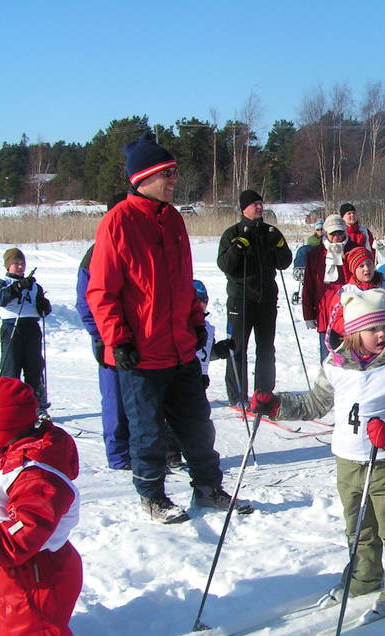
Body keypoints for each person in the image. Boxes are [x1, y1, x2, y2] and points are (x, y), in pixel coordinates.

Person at [86, 133, 251, 523]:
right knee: (147, 431)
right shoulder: (117, 223)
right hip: (141, 352)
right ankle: (152, 496)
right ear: (143, 178)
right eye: (168, 173)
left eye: (175, 172)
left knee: (197, 424)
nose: (175, 179)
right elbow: (101, 292)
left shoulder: (174, 219)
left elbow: (183, 282)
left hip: (179, 346)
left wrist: (196, 322)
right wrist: (117, 340)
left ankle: (208, 488)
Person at [252, 289, 385, 617]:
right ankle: (364, 576)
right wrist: (276, 405)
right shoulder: (335, 365)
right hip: (348, 458)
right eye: (373, 328)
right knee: (358, 525)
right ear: (353, 331)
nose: (382, 334)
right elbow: (314, 404)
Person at [0, 378, 83, 636]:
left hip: (39, 577)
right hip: (15, 577)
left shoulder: (36, 475)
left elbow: (26, 532)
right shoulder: (11, 453)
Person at [216, 189, 293, 407]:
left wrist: (278, 244)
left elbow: (284, 262)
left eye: (260, 203)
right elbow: (225, 266)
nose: (259, 207)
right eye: (254, 204)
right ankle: (238, 396)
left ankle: (264, 394)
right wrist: (238, 247)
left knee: (266, 348)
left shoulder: (270, 231)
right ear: (243, 209)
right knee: (238, 348)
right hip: (241, 300)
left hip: (266, 299)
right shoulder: (232, 233)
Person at [76, 194, 131, 470]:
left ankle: (142, 451)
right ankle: (119, 456)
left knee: (141, 400)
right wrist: (98, 336)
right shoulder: (95, 252)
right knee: (115, 399)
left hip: (138, 338)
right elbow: (85, 301)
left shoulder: (136, 245)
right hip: (109, 338)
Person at [165, 280, 233, 469]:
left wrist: (220, 350)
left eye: (204, 301)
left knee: (200, 420)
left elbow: (205, 354)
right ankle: (171, 456)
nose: (201, 305)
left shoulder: (207, 328)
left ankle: (201, 458)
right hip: (179, 378)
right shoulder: (179, 324)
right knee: (174, 419)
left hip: (198, 380)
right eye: (197, 301)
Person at [0, 248, 51, 414]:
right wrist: (18, 286)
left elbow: (42, 305)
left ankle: (37, 406)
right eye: (15, 264)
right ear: (8, 265)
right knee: (11, 368)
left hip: (31, 327)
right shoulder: (2, 281)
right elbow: (0, 299)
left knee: (35, 367)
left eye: (22, 263)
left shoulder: (34, 286)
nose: (19, 267)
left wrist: (44, 307)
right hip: (12, 327)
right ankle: (8, 406)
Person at [326, 247, 385, 345]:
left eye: (369, 264)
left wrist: (384, 322)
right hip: (357, 346)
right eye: (361, 266)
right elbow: (336, 320)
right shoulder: (345, 293)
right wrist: (357, 328)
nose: (366, 268)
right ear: (353, 269)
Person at [303, 214, 355, 362]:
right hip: (325, 314)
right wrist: (308, 313)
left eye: (340, 232)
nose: (337, 237)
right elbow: (308, 286)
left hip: (351, 312)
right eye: (333, 233)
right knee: (328, 360)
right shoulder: (315, 255)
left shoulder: (354, 250)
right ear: (326, 233)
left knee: (352, 360)